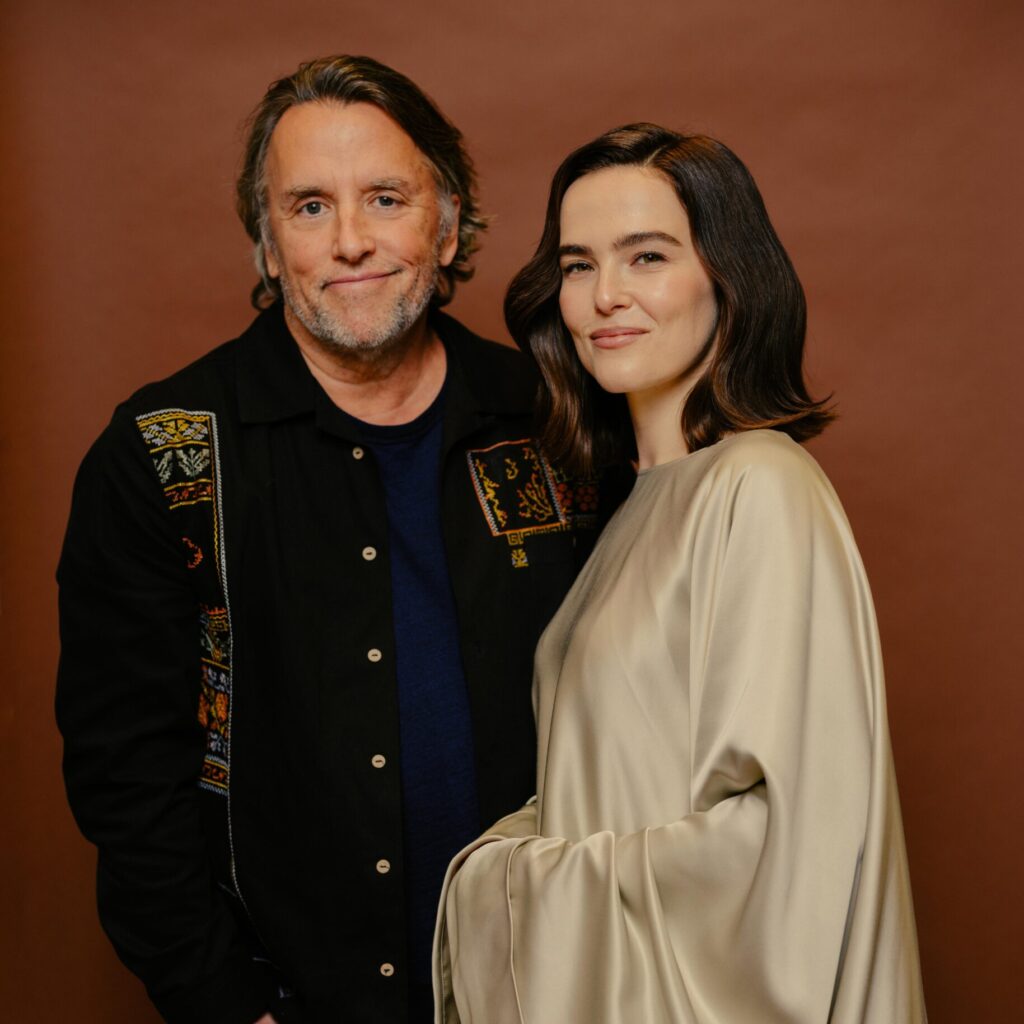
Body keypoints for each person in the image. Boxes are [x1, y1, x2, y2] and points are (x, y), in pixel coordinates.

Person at [55, 56, 608, 1024]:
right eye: (308, 207)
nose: (351, 241)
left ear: (447, 223)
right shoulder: (165, 453)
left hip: (555, 981)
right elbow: (126, 776)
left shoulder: (555, 423)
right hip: (297, 995)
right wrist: (229, 1005)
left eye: (385, 198)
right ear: (266, 244)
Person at [433, 124, 927, 1023]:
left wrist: (504, 878)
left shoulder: (760, 487)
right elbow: (614, 785)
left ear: (728, 283)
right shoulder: (635, 504)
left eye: (647, 256)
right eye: (578, 265)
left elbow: (787, 853)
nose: (605, 297)